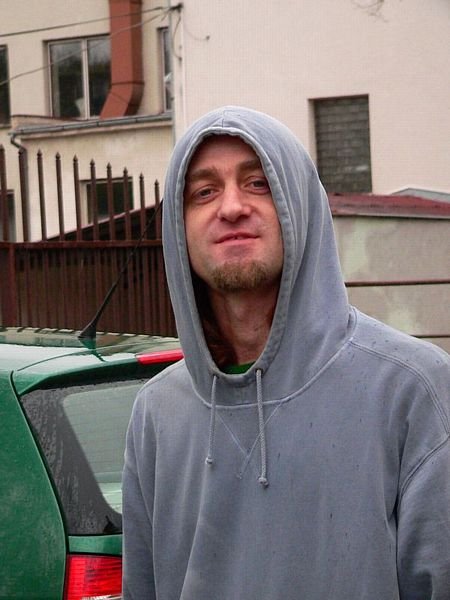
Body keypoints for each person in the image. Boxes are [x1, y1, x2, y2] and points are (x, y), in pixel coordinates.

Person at [122, 106, 450, 599]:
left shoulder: (412, 388)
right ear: (178, 228)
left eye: (258, 183)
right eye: (204, 191)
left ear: (300, 202)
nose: (232, 207)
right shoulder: (157, 412)